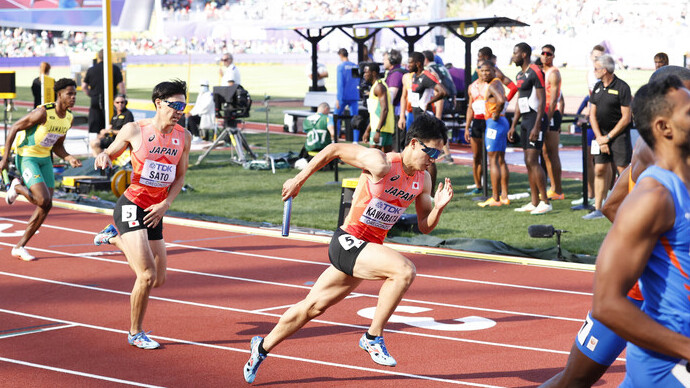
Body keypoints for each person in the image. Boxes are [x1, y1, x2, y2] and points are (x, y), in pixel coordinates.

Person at [242, 114, 454, 384]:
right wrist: (298, 180)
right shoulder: (381, 162)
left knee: (312, 307)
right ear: (413, 143)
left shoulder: (423, 181)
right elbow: (333, 150)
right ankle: (372, 337)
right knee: (404, 271)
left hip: (368, 250)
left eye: (438, 152)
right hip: (348, 241)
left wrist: (438, 207)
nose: (434, 158)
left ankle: (260, 348)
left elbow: (424, 227)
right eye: (431, 151)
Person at [539, 65, 690, 388]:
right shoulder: (654, 177)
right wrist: (651, 259)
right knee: (575, 380)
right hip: (637, 299)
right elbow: (611, 205)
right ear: (663, 123)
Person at [591, 75, 690, 387]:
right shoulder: (653, 198)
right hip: (669, 367)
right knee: (574, 380)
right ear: (664, 128)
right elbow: (606, 304)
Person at [92, 79, 192, 349]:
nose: (181, 109)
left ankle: (114, 238)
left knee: (158, 280)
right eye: (176, 105)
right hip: (131, 205)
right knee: (145, 275)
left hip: (156, 211)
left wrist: (165, 205)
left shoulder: (184, 136)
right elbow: (111, 152)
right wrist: (103, 156)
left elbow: (180, 177)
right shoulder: (135, 129)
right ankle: (135, 333)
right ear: (159, 104)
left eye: (184, 104)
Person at [0, 78, 82, 261]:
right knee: (43, 199)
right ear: (59, 94)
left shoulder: (68, 118)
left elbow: (57, 145)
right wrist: (5, 159)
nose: (73, 97)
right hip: (28, 156)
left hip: (45, 159)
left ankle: (19, 246)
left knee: (46, 205)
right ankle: (17, 187)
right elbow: (14, 127)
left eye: (75, 94)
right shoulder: (43, 112)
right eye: (70, 93)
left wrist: (69, 157)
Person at [583, 54, 632, 220]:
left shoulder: (622, 87)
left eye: (596, 68)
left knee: (623, 172)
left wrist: (608, 138)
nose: (594, 71)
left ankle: (629, 207)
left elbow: (626, 118)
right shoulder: (597, 87)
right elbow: (592, 114)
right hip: (601, 136)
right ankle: (598, 208)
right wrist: (599, 138)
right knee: (599, 169)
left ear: (605, 70)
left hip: (618, 136)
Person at [508, 42, 552, 215]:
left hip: (535, 119)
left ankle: (545, 202)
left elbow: (542, 101)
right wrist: (513, 125)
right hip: (525, 120)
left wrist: (537, 125)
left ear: (524, 54)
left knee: (533, 160)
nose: (513, 56)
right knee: (528, 161)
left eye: (515, 52)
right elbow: (520, 100)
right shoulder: (520, 74)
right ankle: (534, 202)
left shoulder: (535, 71)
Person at [407, 51, 447, 191]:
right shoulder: (414, 77)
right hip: (415, 117)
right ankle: (419, 186)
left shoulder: (426, 76)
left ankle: (430, 191)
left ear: (418, 63)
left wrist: (429, 102)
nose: (408, 65)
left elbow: (442, 91)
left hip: (425, 118)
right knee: (418, 155)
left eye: (410, 62)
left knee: (430, 156)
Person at [477, 61, 510, 208]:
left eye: (487, 71)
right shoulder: (497, 83)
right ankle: (504, 196)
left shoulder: (493, 85)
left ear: (494, 71)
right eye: (482, 71)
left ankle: (495, 197)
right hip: (501, 123)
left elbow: (501, 100)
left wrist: (495, 113)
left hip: (494, 123)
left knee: (493, 160)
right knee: (501, 160)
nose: (484, 74)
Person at [540, 44, 564, 200]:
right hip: (543, 113)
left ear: (553, 56)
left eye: (548, 53)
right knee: (545, 153)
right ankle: (553, 187)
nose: (545, 56)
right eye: (543, 53)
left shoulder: (554, 73)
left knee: (552, 153)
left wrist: (548, 119)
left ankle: (558, 189)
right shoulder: (541, 71)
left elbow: (555, 98)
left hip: (550, 113)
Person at [82, 49, 125, 135]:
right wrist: (122, 97)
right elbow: (121, 86)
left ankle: (96, 146)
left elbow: (84, 86)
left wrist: (91, 94)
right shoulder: (115, 69)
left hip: (95, 101)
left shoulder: (91, 70)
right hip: (111, 101)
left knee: (95, 131)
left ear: (98, 57)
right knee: (111, 127)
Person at [465, 60, 488, 195]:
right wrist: (467, 126)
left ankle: (486, 184)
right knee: (476, 156)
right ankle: (478, 185)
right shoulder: (472, 87)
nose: (481, 70)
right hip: (476, 123)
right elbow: (470, 107)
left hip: (488, 121)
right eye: (479, 68)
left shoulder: (490, 84)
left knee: (488, 155)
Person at [362, 63, 395, 152]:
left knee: (372, 156)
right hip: (383, 128)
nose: (364, 75)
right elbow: (375, 112)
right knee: (387, 159)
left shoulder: (379, 87)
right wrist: (367, 130)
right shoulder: (376, 87)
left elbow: (385, 109)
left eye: (366, 72)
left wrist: (377, 130)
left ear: (373, 73)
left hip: (381, 129)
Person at [335, 48, 360, 139]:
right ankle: (355, 140)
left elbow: (340, 84)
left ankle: (335, 137)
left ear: (340, 55)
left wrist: (338, 98)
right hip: (354, 96)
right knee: (355, 118)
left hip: (343, 97)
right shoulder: (355, 66)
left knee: (336, 116)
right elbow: (357, 81)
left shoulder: (340, 67)